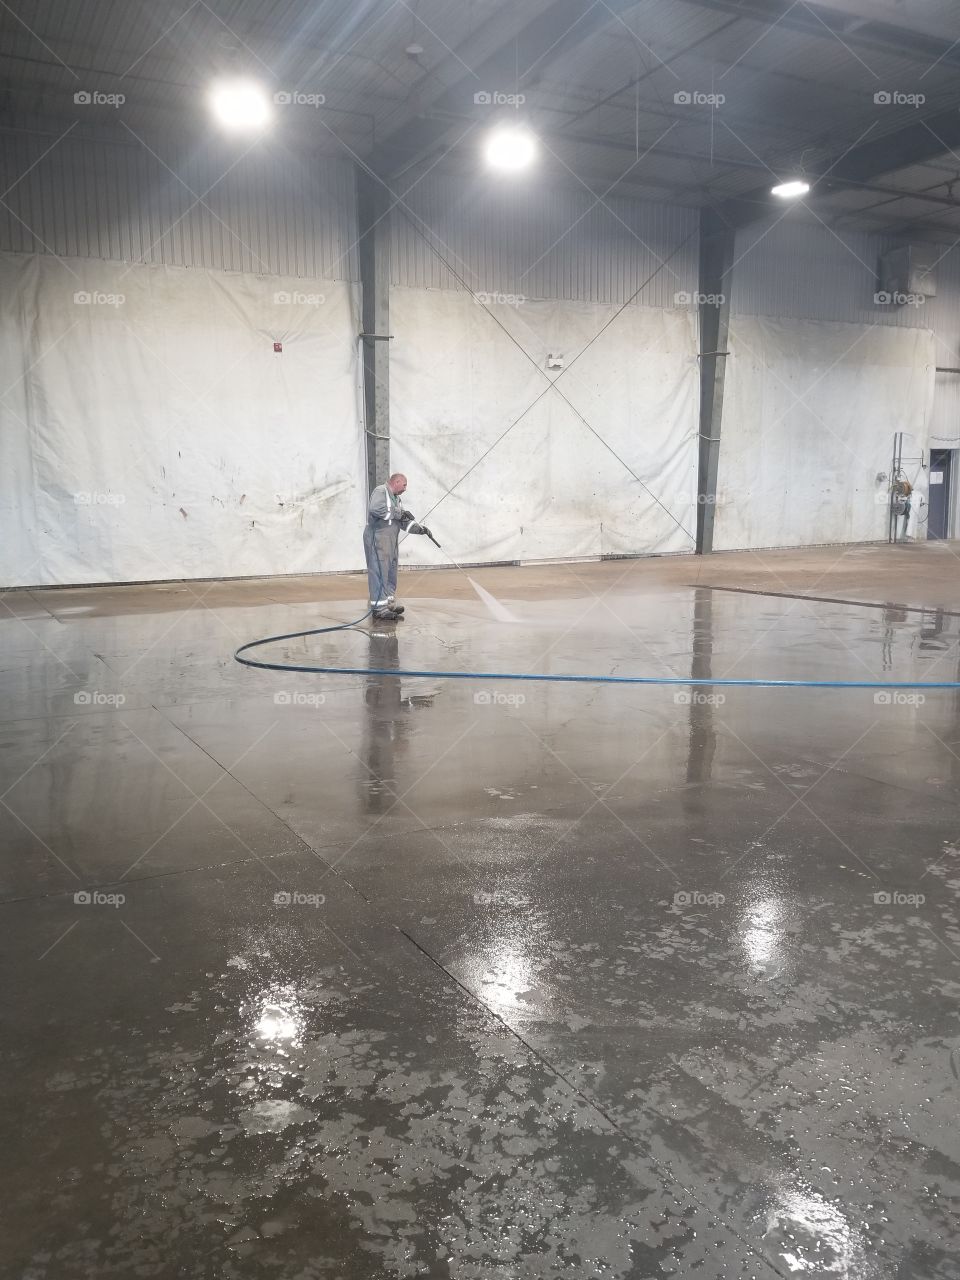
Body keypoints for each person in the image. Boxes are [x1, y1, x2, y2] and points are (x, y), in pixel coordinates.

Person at [363, 473, 432, 621]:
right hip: (378, 538)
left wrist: (420, 529)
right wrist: (399, 513)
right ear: (397, 481)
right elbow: (375, 509)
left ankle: (387, 604)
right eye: (404, 485)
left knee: (390, 572)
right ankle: (379, 609)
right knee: (379, 571)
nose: (405, 488)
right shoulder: (381, 491)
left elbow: (403, 521)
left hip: (391, 540)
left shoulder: (397, 499)